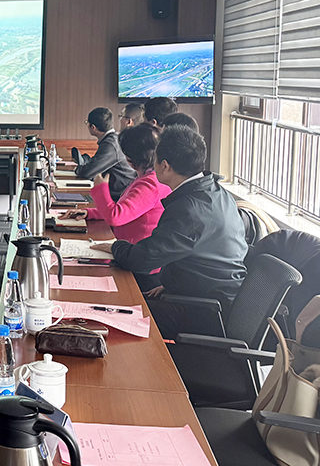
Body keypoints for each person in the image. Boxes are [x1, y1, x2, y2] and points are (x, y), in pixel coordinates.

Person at [93, 126, 247, 339]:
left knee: (117, 312)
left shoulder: (189, 209)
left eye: (155, 160)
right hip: (206, 294)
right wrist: (171, 286)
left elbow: (141, 259)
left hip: (206, 311)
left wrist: (115, 246)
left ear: (165, 166)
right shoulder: (215, 191)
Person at [63, 125, 171, 291]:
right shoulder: (147, 177)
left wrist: (100, 189)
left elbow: (116, 216)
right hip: (128, 253)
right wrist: (90, 213)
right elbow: (127, 209)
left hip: (139, 265)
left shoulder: (150, 184)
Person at [73, 107, 137, 201]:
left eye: (87, 123)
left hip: (119, 197)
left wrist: (77, 169)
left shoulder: (111, 144)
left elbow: (87, 172)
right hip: (115, 193)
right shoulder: (112, 139)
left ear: (93, 127)